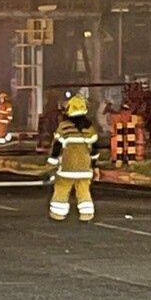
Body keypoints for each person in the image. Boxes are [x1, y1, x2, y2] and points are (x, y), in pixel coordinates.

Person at [46, 94, 99, 222]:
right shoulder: (90, 129)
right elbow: (94, 149)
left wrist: (52, 162)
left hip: (67, 167)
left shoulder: (64, 127)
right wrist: (94, 165)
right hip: (84, 167)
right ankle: (87, 213)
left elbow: (57, 147)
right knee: (83, 190)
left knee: (62, 188)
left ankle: (58, 213)